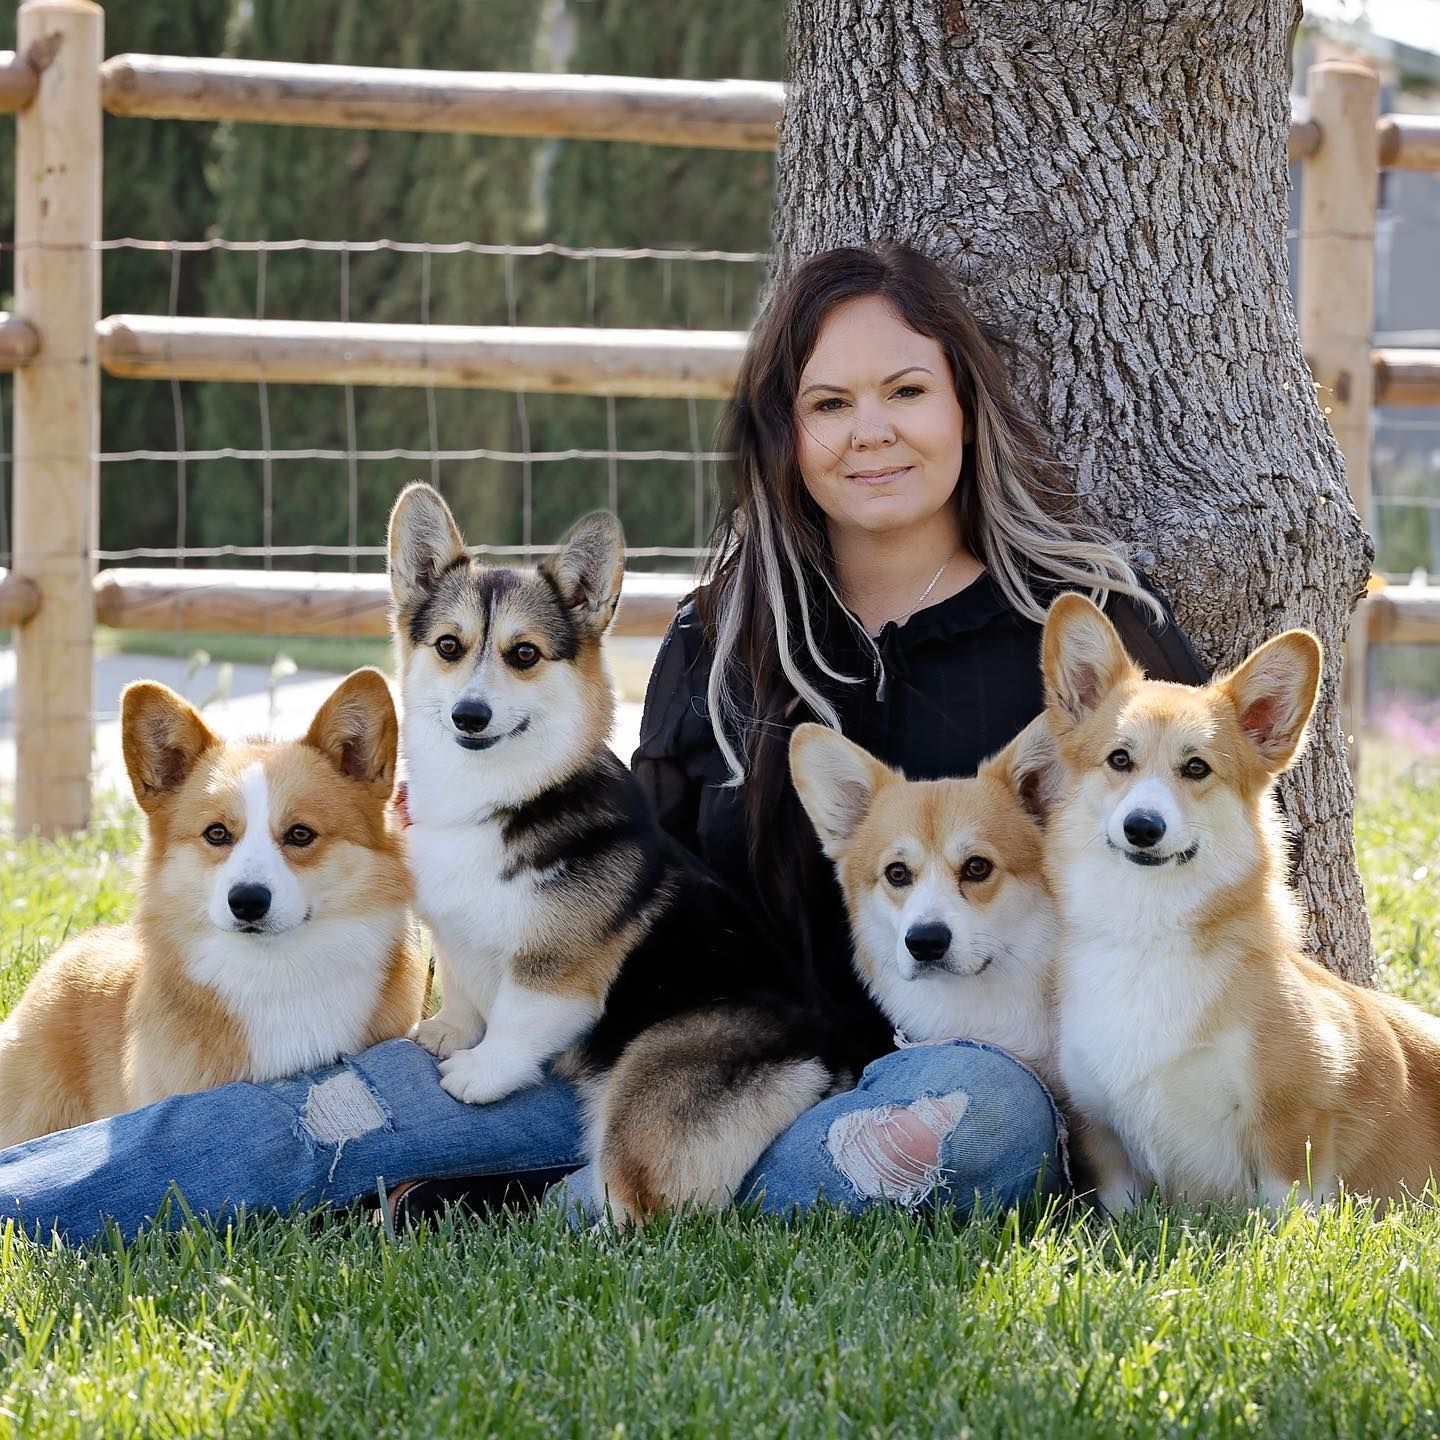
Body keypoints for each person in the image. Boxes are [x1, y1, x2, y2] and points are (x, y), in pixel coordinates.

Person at [0, 244, 1205, 1242]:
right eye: (828, 403)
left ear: (964, 401)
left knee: (981, 1124)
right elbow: (633, 870)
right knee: (321, 1118)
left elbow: (1186, 875)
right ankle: (43, 1202)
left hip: (914, 1081)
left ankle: (546, 1202)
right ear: (784, 430)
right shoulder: (725, 634)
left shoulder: (1080, 642)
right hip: (639, 1048)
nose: (869, 432)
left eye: (905, 391)